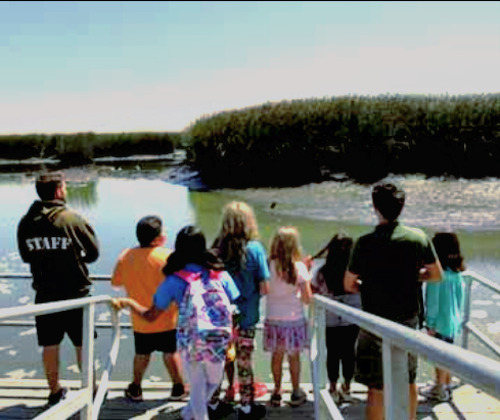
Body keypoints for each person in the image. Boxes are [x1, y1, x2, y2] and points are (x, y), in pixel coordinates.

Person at [113, 225, 240, 420]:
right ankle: (189, 415)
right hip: (218, 341)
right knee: (211, 384)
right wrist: (232, 338)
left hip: (191, 342)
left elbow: (150, 316)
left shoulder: (174, 280)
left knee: (198, 390)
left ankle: (188, 415)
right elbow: (235, 306)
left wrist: (129, 302)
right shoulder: (219, 274)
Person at [344, 182, 443, 420]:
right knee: (408, 379)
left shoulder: (364, 243)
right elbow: (436, 275)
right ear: (402, 206)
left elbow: (348, 284)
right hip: (407, 320)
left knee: (376, 387)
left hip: (373, 321)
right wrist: (414, 276)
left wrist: (370, 287)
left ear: (375, 207)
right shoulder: (418, 237)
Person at [17, 171, 99, 405]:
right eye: (64, 186)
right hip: (77, 293)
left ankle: (54, 391)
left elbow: (25, 256)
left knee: (49, 345)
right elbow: (93, 253)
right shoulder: (72, 218)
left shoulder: (26, 222)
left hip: (45, 293)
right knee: (83, 344)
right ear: (58, 191)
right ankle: (90, 391)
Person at [111, 215, 187, 402]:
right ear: (157, 238)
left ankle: (136, 387)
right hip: (167, 317)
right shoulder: (168, 257)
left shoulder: (125, 256)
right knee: (170, 353)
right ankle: (178, 387)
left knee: (142, 354)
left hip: (140, 319)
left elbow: (116, 282)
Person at [211, 201, 270, 419]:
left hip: (217, 318)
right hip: (246, 317)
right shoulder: (255, 249)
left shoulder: (215, 249)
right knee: (244, 362)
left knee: (217, 360)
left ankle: (213, 404)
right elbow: (264, 287)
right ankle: (246, 408)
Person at [264, 226, 312, 407]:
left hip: (274, 319)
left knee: (276, 356)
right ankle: (295, 390)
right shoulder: (298, 268)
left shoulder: (268, 265)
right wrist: (307, 272)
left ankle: (276, 391)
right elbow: (307, 299)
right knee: (294, 357)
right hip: (293, 320)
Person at [311, 233, 361, 405]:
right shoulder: (355, 271)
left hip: (330, 319)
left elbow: (313, 289)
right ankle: (347, 387)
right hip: (352, 318)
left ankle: (332, 387)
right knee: (349, 353)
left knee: (332, 353)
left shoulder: (323, 272)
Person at [419, 232, 465, 402]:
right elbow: (460, 298)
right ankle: (446, 385)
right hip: (452, 321)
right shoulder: (457, 274)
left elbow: (433, 302)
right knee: (449, 354)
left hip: (438, 322)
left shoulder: (437, 277)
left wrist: (429, 324)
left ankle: (439, 388)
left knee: (439, 357)